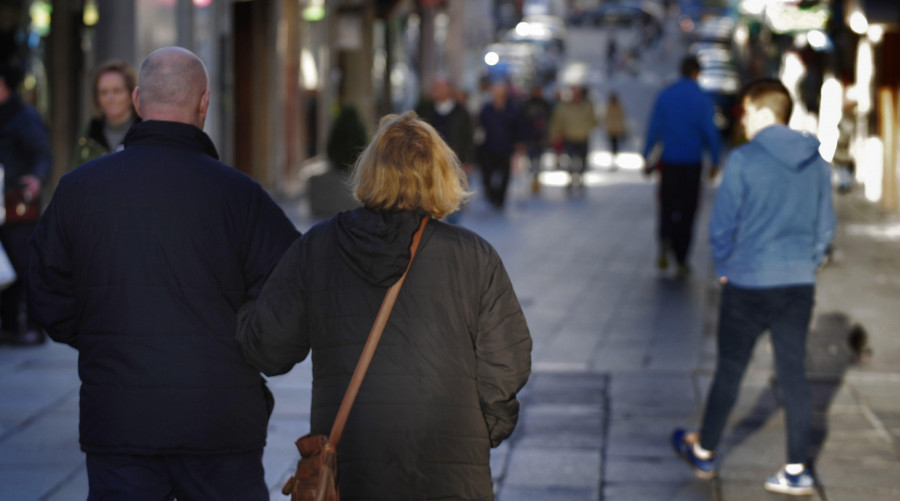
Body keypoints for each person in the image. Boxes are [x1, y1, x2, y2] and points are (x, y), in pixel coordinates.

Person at [26, 47, 299, 500]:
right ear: (204, 104)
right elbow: (293, 290)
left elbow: (45, 293)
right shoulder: (241, 196)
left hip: (119, 417)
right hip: (220, 419)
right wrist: (254, 349)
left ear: (137, 101)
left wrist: (101, 334)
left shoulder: (79, 190)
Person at [236, 111, 532, 500]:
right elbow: (508, 361)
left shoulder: (319, 247)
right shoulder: (474, 256)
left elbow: (268, 348)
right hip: (450, 474)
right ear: (441, 175)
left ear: (369, 172)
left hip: (351, 468)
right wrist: (479, 432)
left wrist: (241, 299)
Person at [671, 79, 835, 496]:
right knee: (793, 373)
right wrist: (807, 263)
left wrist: (725, 264)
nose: (742, 121)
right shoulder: (816, 161)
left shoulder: (743, 160)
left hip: (748, 280)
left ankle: (705, 452)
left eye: (745, 112)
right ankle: (797, 469)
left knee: (730, 369)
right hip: (797, 282)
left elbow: (723, 224)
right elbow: (825, 228)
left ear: (763, 113)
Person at [643, 56, 721, 276]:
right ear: (697, 73)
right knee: (688, 211)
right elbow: (710, 133)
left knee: (667, 206)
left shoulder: (666, 95)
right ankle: (682, 258)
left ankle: (665, 241)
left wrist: (646, 155)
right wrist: (715, 161)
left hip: (669, 163)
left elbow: (653, 128)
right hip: (691, 165)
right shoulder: (702, 99)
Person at [0, 60, 51, 346]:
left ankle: (30, 325)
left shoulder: (23, 115)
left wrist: (35, 178)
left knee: (23, 265)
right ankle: (9, 325)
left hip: (18, 203)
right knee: (3, 267)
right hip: (2, 203)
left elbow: (41, 153)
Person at [415, 78, 475, 220]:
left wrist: (468, 161)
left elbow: (468, 138)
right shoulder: (424, 109)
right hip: (429, 162)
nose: (435, 91)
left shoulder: (461, 112)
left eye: (440, 88)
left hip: (454, 162)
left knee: (454, 200)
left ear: (449, 91)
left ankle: (453, 230)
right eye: (435, 87)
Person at [71, 60, 141, 168]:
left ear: (132, 94)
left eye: (117, 91)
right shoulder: (88, 136)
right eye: (103, 92)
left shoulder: (145, 131)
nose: (110, 98)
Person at [478, 81, 525, 210]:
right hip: (488, 147)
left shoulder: (512, 109)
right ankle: (491, 196)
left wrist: (519, 142)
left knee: (505, 175)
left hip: (505, 147)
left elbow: (518, 126)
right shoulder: (487, 109)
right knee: (486, 175)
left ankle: (501, 199)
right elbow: (480, 125)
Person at [549, 85, 598, 191]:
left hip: (583, 137)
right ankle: (570, 179)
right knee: (570, 160)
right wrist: (556, 135)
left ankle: (581, 178)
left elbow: (594, 120)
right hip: (570, 137)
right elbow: (558, 121)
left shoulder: (587, 106)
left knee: (582, 160)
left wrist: (586, 127)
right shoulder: (564, 107)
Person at [521, 85, 552, 193]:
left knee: (539, 161)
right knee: (532, 160)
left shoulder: (545, 104)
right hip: (530, 138)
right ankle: (533, 180)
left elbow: (549, 119)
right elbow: (523, 120)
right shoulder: (527, 104)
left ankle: (536, 180)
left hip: (541, 138)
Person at [604, 92, 627, 166]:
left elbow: (622, 119)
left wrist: (623, 129)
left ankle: (615, 158)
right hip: (611, 130)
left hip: (617, 130)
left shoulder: (619, 107)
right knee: (612, 145)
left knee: (616, 145)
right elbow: (605, 118)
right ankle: (612, 158)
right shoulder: (609, 107)